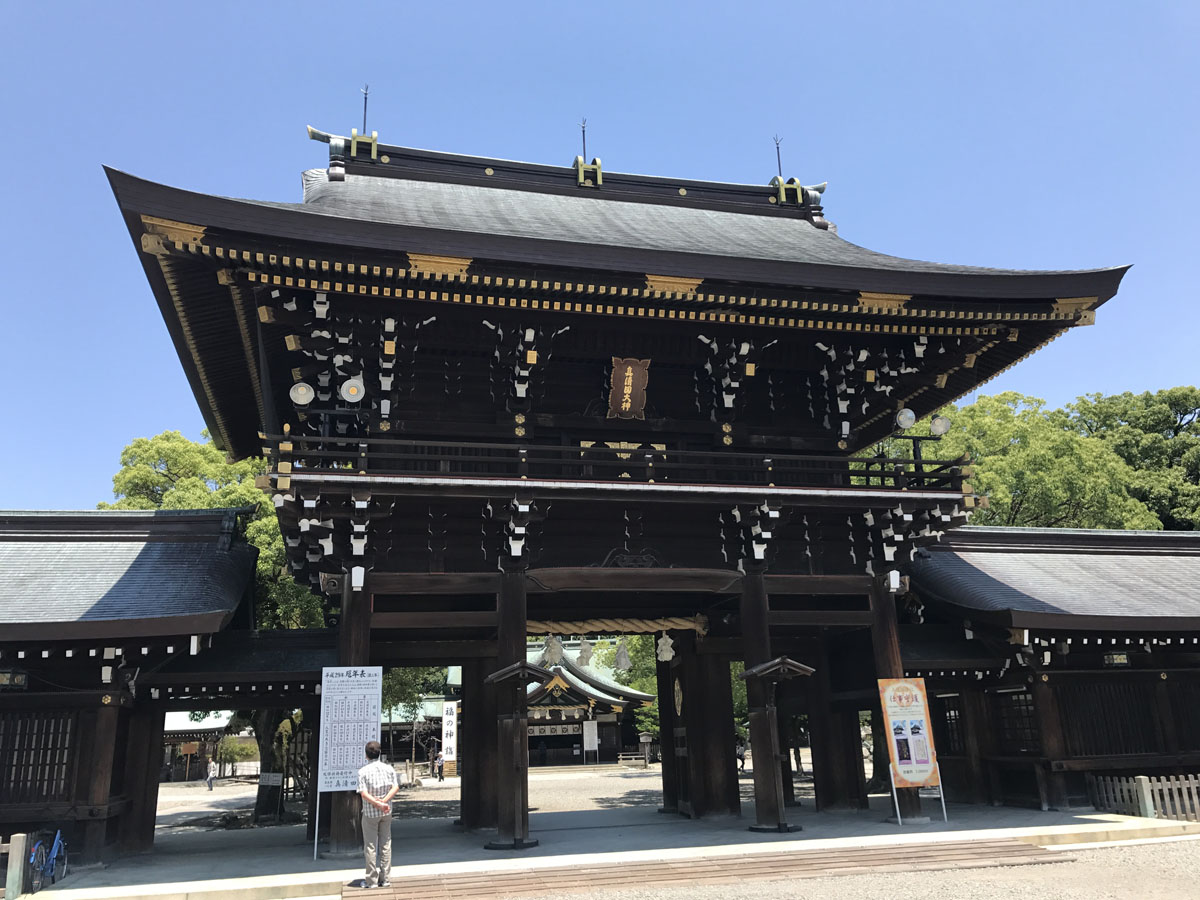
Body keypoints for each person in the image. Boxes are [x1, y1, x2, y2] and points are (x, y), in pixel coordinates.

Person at [351, 741, 398, 890]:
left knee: (370, 846)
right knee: (386, 844)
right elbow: (395, 787)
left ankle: (371, 880)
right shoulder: (388, 769)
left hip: (370, 812)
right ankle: (385, 878)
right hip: (386, 811)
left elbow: (363, 793)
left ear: (366, 755)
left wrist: (377, 803)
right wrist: (384, 802)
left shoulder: (362, 771)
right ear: (379, 753)